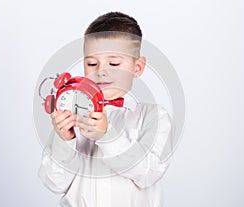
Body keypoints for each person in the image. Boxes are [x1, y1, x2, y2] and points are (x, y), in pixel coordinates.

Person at [38, 11, 173, 207]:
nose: (101, 71)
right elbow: (54, 182)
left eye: (114, 63)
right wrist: (64, 140)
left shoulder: (155, 117)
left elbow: (148, 174)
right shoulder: (71, 114)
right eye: (92, 63)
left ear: (137, 67)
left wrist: (107, 135)